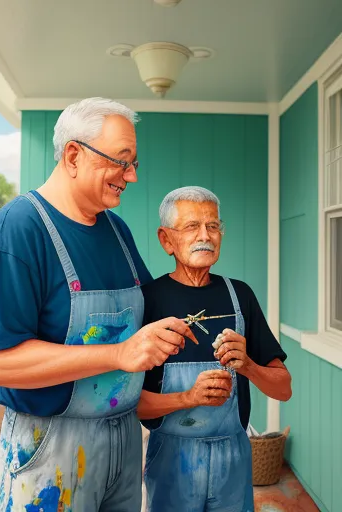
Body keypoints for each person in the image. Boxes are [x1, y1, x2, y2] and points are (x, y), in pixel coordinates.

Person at [0, 98, 198, 512]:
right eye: (121, 161)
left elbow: (150, 310)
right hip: (49, 446)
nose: (131, 175)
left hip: (124, 438)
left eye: (134, 163)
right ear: (74, 154)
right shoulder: (19, 228)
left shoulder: (116, 229)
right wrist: (119, 353)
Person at [138, 186, 292, 512]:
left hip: (233, 460)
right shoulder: (148, 300)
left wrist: (248, 365)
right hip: (171, 459)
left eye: (213, 226)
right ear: (166, 240)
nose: (205, 236)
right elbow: (131, 404)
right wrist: (187, 398)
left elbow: (284, 388)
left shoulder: (241, 296)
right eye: (192, 226)